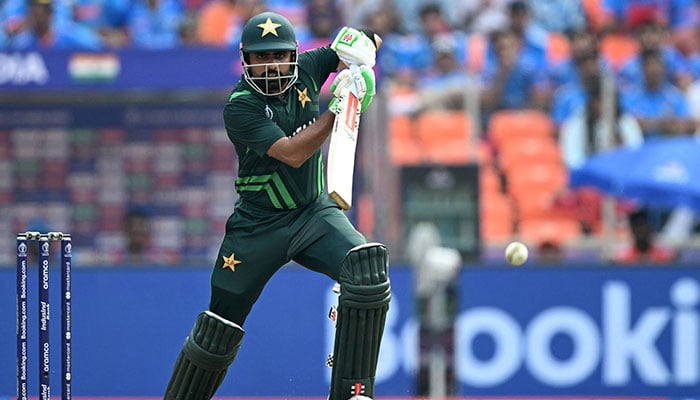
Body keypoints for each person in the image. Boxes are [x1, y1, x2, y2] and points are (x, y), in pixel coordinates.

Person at [163, 11, 390, 400]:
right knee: (219, 325)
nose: (271, 65)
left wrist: (362, 62)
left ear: (293, 55)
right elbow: (292, 153)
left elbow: (357, 44)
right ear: (245, 59)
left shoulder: (308, 68)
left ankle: (354, 393)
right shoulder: (240, 106)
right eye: (261, 57)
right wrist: (338, 110)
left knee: (365, 269)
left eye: (278, 56)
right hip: (257, 226)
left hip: (312, 213)